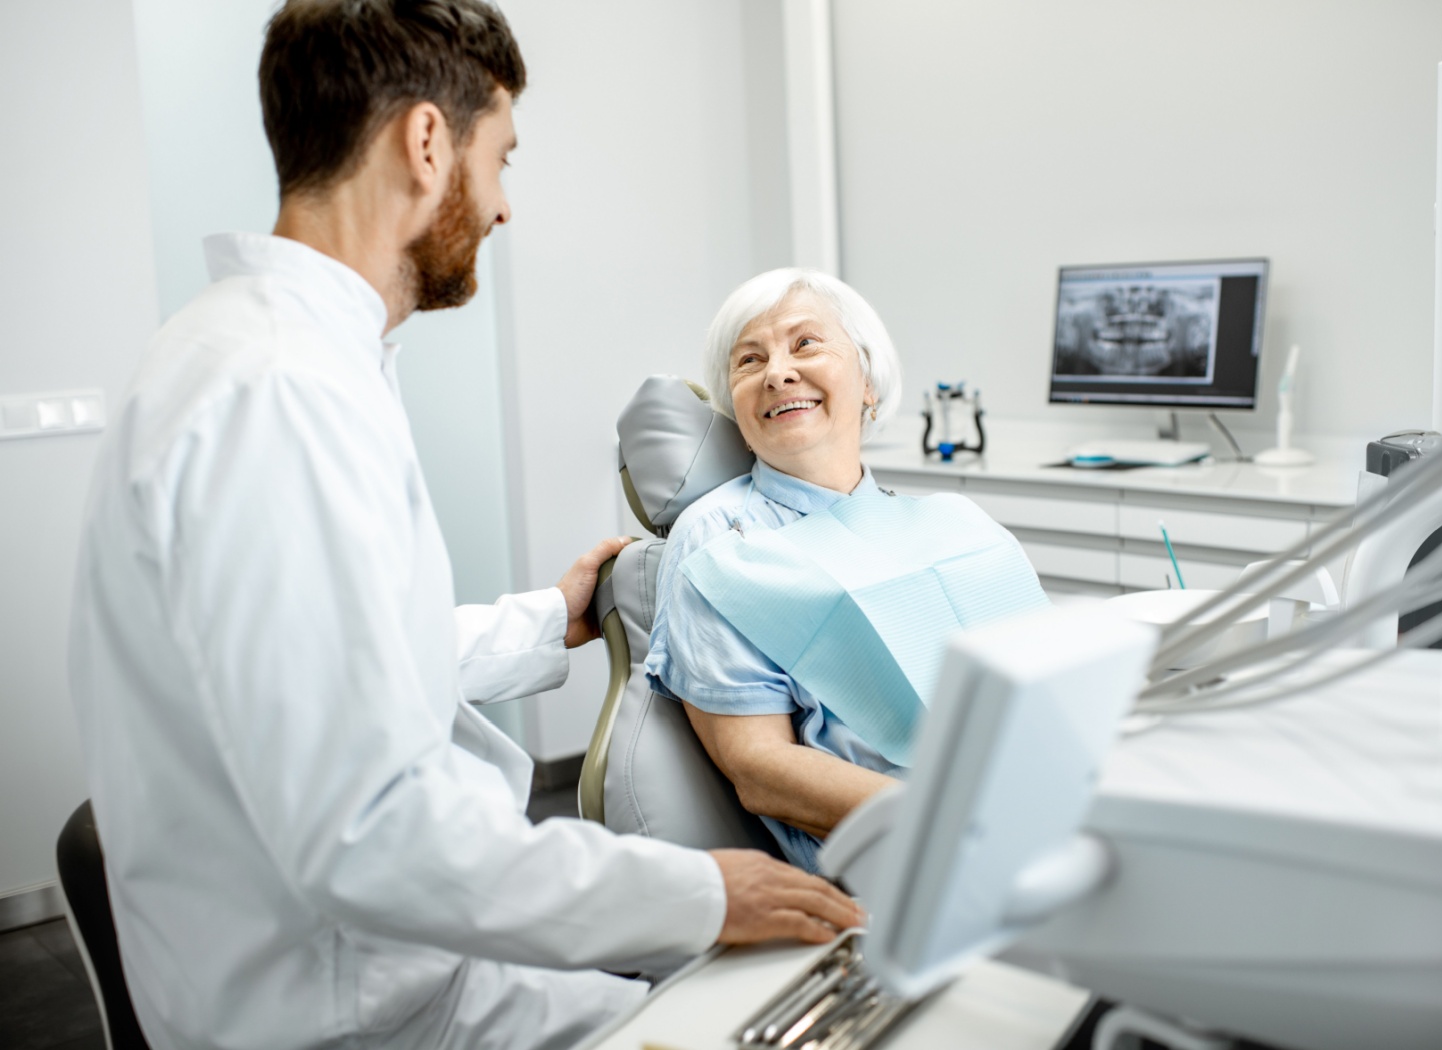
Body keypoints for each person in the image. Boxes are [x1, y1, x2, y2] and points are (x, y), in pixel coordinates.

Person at [66, 4, 860, 1049]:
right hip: (355, 1012)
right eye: (503, 159)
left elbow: (328, 669)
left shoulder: (251, 356)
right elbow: (371, 831)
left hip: (402, 971)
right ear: (428, 142)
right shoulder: (277, 395)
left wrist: (546, 621)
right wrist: (702, 893)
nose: (501, 207)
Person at [644, 269, 1048, 872]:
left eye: (805, 344)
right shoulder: (724, 538)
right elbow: (760, 771)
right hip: (913, 856)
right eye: (749, 360)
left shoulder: (951, 522)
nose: (778, 372)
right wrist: (959, 820)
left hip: (1036, 805)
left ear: (868, 383)